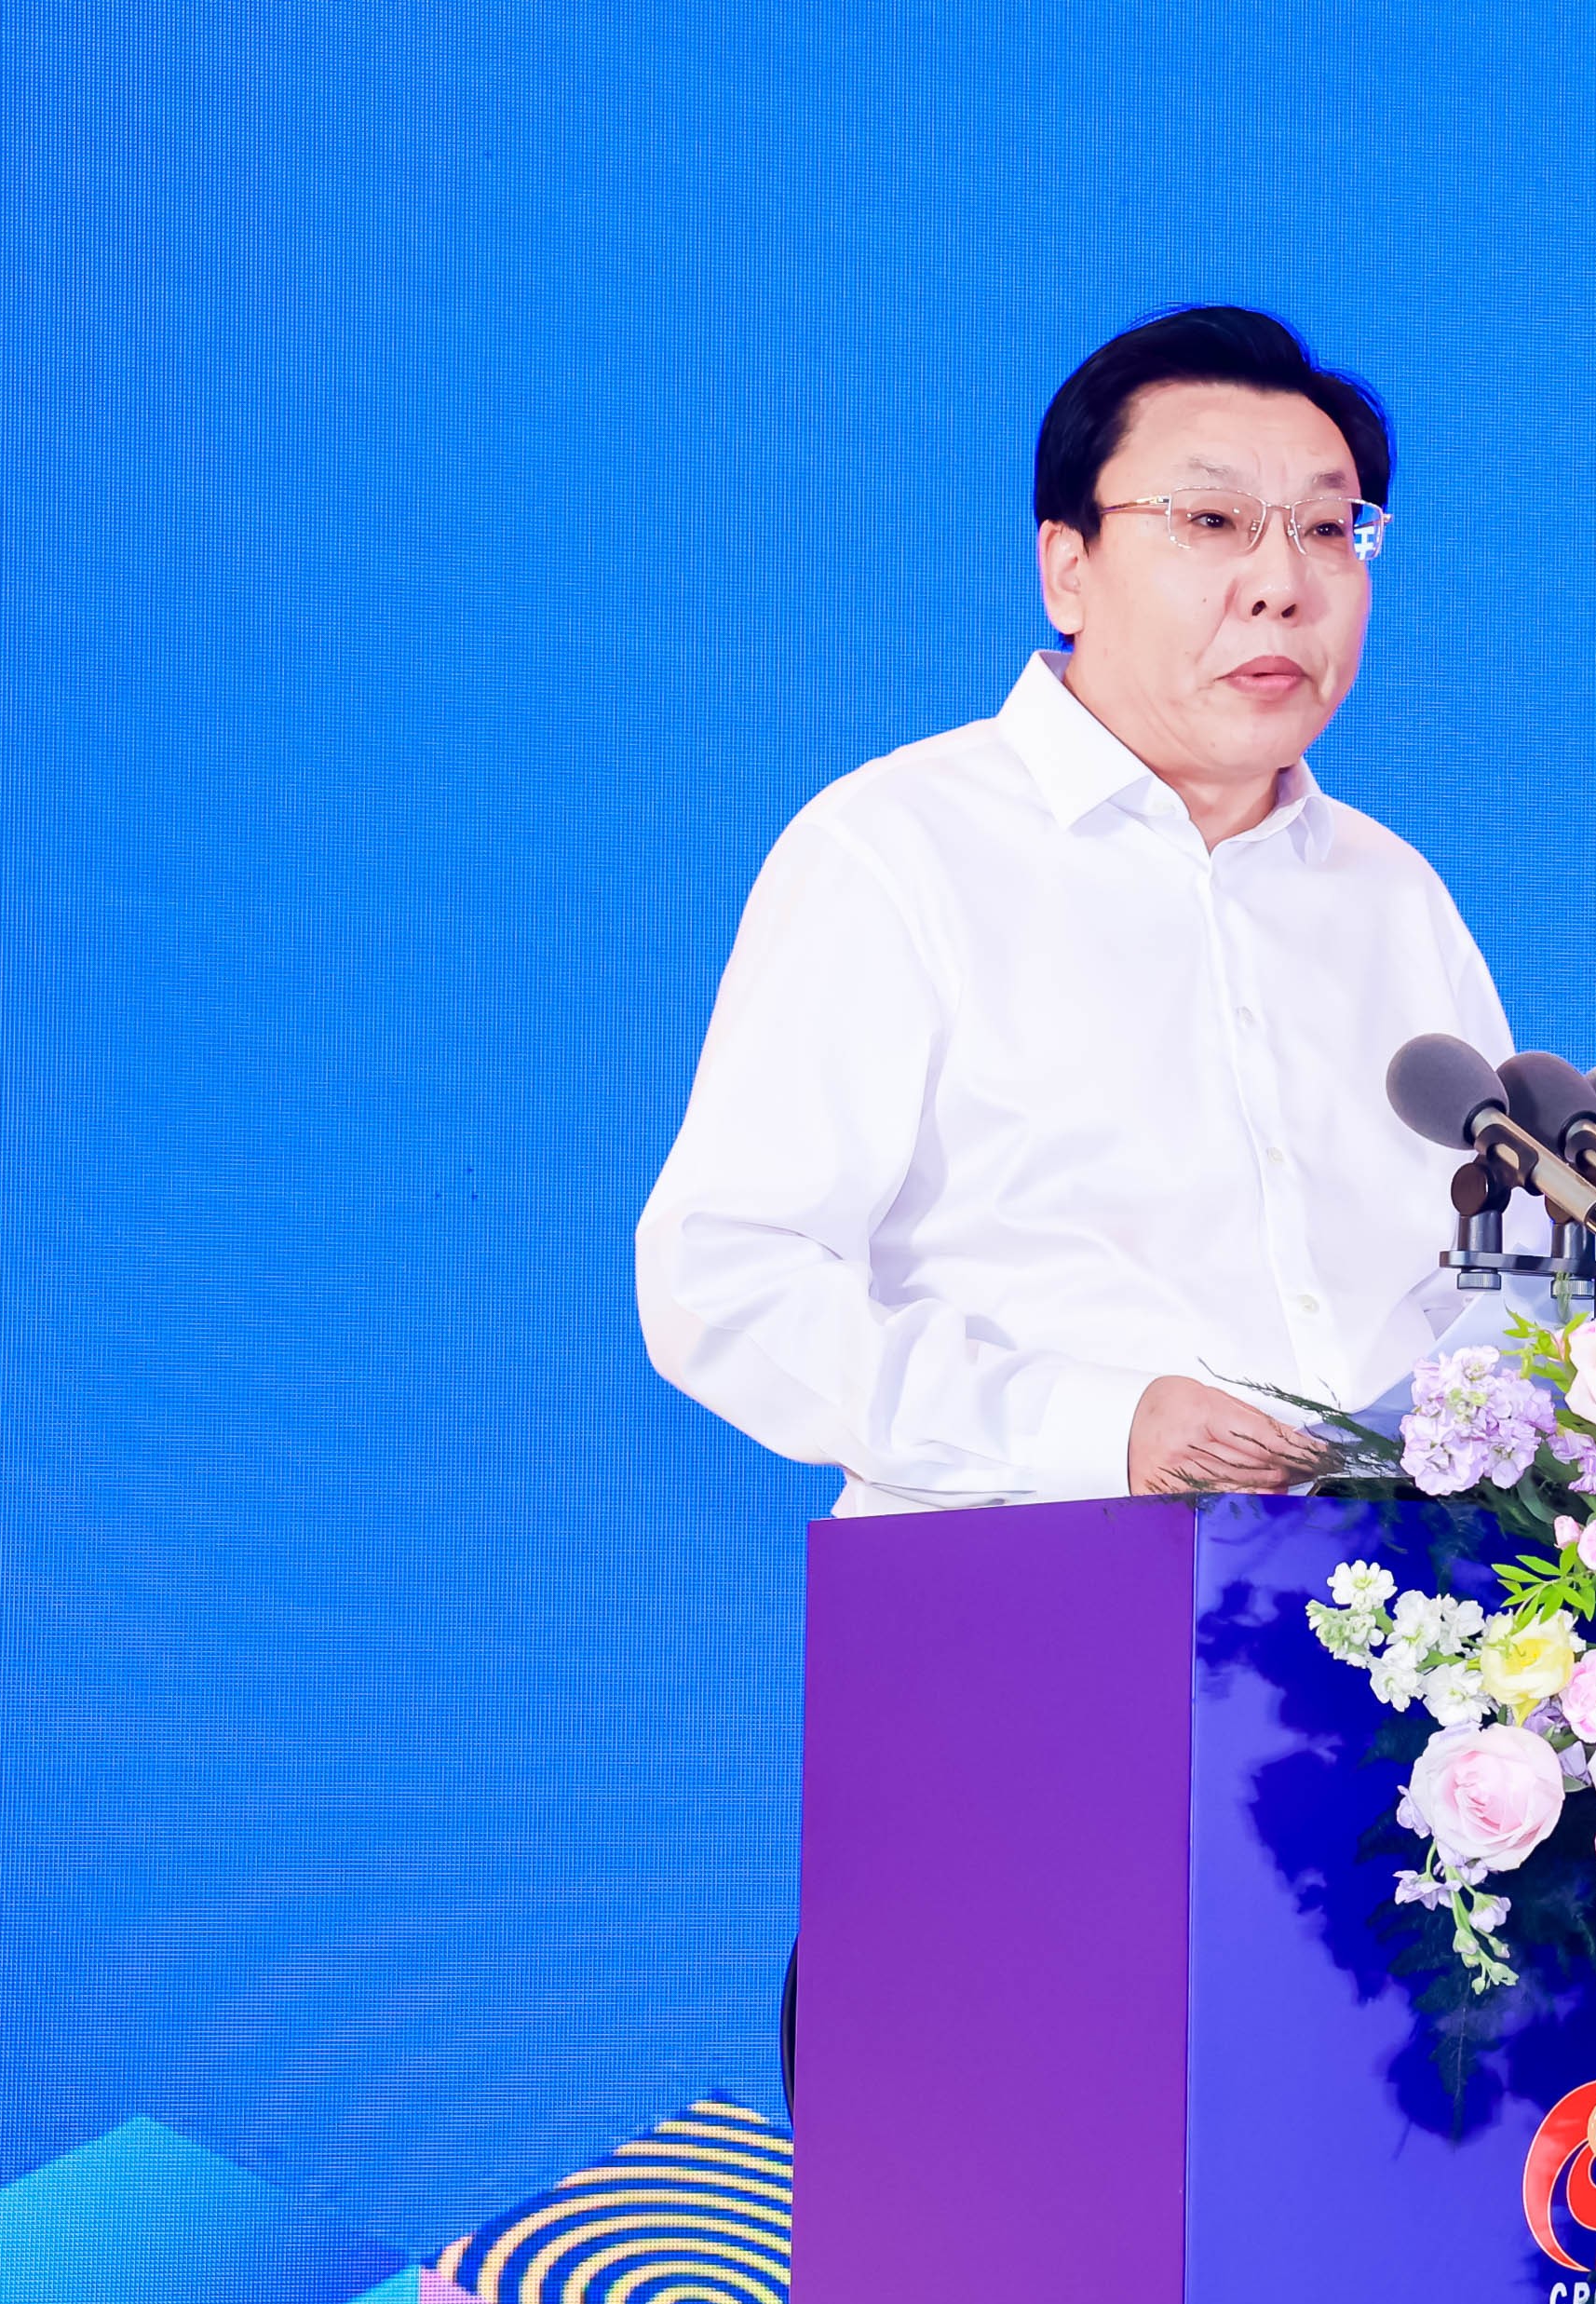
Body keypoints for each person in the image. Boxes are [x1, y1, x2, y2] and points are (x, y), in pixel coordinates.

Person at [636, 305, 1512, 1507]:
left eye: (1325, 530)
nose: (1280, 585)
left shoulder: (1390, 892)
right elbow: (724, 1278)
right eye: (1210, 521)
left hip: (1383, 1592)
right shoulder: (901, 846)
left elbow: (1484, 1282)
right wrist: (1098, 1428)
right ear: (1067, 569)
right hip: (1028, 1580)